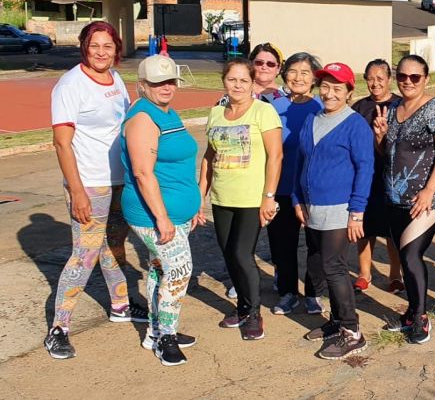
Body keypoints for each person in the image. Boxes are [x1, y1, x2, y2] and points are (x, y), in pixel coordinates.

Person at [45, 21, 146, 360]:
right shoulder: (70, 85)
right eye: (95, 45)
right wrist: (77, 191)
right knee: (84, 255)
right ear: (84, 47)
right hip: (90, 183)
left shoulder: (115, 78)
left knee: (114, 246)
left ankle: (120, 305)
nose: (101, 52)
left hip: (120, 179)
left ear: (117, 49)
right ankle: (59, 327)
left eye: (108, 46)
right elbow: (62, 143)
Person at [120, 55, 203, 366]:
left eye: (170, 81)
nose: (166, 87)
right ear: (143, 85)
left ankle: (157, 331)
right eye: (158, 83)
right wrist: (162, 217)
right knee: (180, 270)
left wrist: (191, 204)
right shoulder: (143, 118)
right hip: (153, 215)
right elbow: (143, 172)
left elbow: (177, 163)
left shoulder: (167, 112)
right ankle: (165, 339)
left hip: (176, 212)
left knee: (160, 269)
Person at [199, 58, 283, 341]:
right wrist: (201, 194)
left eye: (243, 81)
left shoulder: (263, 112)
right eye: (232, 80)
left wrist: (268, 196)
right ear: (224, 80)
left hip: (251, 198)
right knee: (227, 253)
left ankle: (254, 313)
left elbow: (276, 156)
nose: (237, 85)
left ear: (252, 83)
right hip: (223, 197)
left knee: (241, 254)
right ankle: (242, 307)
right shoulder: (216, 113)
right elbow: (209, 157)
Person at [374, 55, 435, 344]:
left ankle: (420, 318)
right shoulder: (394, 108)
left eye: (415, 77)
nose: (407, 81)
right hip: (394, 198)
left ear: (426, 79)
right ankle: (410, 311)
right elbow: (389, 154)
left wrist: (429, 189)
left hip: (426, 199)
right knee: (405, 256)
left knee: (410, 255)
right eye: (402, 77)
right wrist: (381, 136)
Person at [293, 62, 373, 360]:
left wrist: (357, 212)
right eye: (325, 86)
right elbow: (301, 163)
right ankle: (337, 322)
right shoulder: (312, 118)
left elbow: (365, 169)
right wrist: (297, 199)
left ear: (349, 92)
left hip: (340, 209)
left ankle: (352, 332)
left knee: (335, 268)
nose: (329, 93)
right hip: (312, 207)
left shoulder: (355, 125)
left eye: (337, 88)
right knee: (325, 266)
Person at [223, 43, 285, 300]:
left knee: (280, 236)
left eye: (270, 64)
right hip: (244, 180)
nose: (264, 68)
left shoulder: (284, 99)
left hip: (278, 175)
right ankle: (242, 280)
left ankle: (283, 276)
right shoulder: (229, 100)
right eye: (259, 62)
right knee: (241, 242)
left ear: (278, 69)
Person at [268, 52, 328, 316]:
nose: (298, 77)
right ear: (284, 75)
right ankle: (287, 292)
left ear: (315, 78)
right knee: (282, 243)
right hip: (281, 187)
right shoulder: (272, 108)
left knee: (316, 244)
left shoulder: (322, 108)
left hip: (313, 189)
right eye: (293, 71)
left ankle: (314, 293)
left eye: (305, 72)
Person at [350, 59, 403, 294]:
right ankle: (364, 273)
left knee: (392, 231)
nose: (375, 83)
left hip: (394, 175)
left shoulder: (401, 105)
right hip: (365, 177)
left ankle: (395, 274)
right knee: (366, 227)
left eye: (380, 78)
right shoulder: (359, 108)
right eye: (370, 78)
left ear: (389, 79)